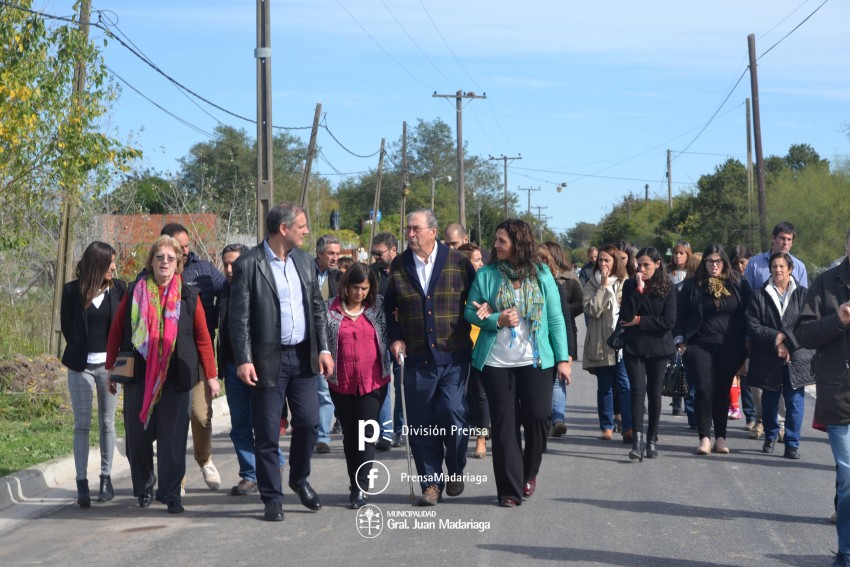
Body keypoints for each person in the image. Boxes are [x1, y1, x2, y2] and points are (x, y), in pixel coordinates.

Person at [228, 202, 334, 522]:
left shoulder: (304, 260)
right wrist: (244, 359)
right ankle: (272, 497)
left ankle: (299, 480)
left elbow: (317, 308)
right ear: (284, 229)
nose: (307, 231)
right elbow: (239, 319)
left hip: (303, 358)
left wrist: (324, 349)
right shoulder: (249, 264)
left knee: (309, 423)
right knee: (268, 433)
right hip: (266, 361)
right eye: (302, 226)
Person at [106, 235, 219, 514]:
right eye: (160, 258)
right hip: (139, 376)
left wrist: (212, 376)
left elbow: (203, 337)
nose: (165, 263)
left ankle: (171, 494)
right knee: (138, 438)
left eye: (170, 258)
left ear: (178, 263)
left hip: (177, 377)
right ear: (151, 262)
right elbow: (117, 331)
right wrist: (111, 368)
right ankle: (145, 486)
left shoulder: (189, 295)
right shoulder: (135, 291)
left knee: (173, 439)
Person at [465, 219, 570, 507]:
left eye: (502, 241)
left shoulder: (541, 274)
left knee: (538, 418)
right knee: (504, 426)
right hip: (496, 362)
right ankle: (509, 490)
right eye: (496, 240)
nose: (496, 245)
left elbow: (555, 318)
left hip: (536, 360)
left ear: (518, 244)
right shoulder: (486, 275)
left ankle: (529, 471)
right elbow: (470, 312)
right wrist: (495, 319)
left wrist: (563, 358)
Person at [384, 209, 476, 506]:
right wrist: (395, 336)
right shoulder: (398, 266)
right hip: (416, 358)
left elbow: (476, 302)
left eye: (415, 229)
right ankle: (431, 484)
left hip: (454, 357)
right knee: (422, 424)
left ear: (432, 232)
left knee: (453, 414)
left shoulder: (459, 263)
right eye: (408, 229)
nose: (410, 234)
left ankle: (457, 467)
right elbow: (389, 310)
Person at [795, 228, 850, 567]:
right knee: (849, 478)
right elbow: (804, 333)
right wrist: (839, 320)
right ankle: (846, 551)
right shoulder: (827, 283)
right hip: (840, 393)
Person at [60, 241, 127, 507]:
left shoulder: (120, 289)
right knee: (82, 425)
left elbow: (125, 329)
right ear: (96, 264)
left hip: (110, 368)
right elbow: (67, 327)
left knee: (108, 423)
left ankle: (106, 478)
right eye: (109, 261)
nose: (114, 266)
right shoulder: (71, 291)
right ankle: (81, 484)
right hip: (80, 367)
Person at [160, 223, 225, 492]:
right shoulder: (155, 275)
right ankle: (177, 479)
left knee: (200, 415)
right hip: (165, 358)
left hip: (199, 354)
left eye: (187, 246)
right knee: (174, 420)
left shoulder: (206, 270)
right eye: (180, 247)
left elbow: (230, 289)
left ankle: (204, 458)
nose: (186, 251)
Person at [218, 243, 285, 496]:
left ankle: (273, 466)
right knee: (240, 426)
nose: (229, 269)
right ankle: (249, 474)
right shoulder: (224, 289)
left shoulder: (261, 286)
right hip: (232, 366)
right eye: (225, 263)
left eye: (233, 263)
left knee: (264, 422)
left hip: (260, 366)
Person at [324, 263, 390, 509]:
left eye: (365, 288)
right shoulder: (329, 311)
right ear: (346, 286)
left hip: (373, 382)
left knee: (367, 436)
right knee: (351, 436)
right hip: (341, 383)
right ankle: (354, 483)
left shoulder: (378, 307)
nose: (360, 293)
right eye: (356, 288)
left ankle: (362, 487)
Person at [674, 244, 750, 455]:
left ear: (724, 262)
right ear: (704, 263)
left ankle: (721, 438)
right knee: (705, 389)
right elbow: (679, 316)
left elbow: (748, 312)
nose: (714, 265)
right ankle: (704, 438)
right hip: (699, 345)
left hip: (730, 346)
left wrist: (747, 340)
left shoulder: (738, 284)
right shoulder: (691, 286)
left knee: (722, 391)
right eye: (709, 261)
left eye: (718, 261)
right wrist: (680, 342)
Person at [745, 252, 813, 459]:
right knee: (770, 400)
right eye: (774, 266)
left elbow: (808, 323)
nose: (778, 270)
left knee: (794, 401)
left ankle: (792, 443)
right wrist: (776, 339)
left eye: (782, 266)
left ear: (790, 269)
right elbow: (753, 324)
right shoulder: (759, 294)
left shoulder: (803, 294)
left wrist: (788, 342)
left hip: (797, 356)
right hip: (768, 355)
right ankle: (771, 436)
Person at [618, 247, 676, 461]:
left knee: (654, 393)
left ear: (658, 264)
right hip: (634, 347)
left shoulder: (668, 287)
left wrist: (640, 321)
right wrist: (639, 291)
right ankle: (637, 442)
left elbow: (669, 321)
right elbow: (625, 315)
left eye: (646, 265)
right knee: (637, 392)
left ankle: (651, 439)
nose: (641, 269)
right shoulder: (631, 284)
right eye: (638, 265)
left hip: (660, 348)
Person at [583, 244, 632, 441]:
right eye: (600, 260)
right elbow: (592, 310)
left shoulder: (625, 282)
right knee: (605, 387)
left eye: (607, 260)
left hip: (621, 343)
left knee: (625, 385)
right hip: (600, 343)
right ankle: (607, 426)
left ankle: (628, 426)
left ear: (615, 263)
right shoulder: (591, 284)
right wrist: (603, 287)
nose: (603, 263)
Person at [538, 242, 582, 438]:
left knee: (557, 382)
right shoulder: (526, 284)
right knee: (545, 384)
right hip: (537, 342)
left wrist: (568, 354)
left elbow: (566, 317)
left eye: (544, 258)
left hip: (560, 337)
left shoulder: (565, 281)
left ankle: (557, 419)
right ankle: (546, 420)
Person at [369, 232, 401, 449]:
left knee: (401, 385)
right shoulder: (369, 273)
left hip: (402, 337)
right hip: (377, 337)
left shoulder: (407, 271)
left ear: (393, 250)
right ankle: (385, 433)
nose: (375, 257)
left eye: (379, 253)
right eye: (373, 253)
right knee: (382, 385)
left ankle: (399, 430)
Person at [459, 242, 489, 458]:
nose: (481, 263)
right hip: (456, 345)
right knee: (459, 395)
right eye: (477, 259)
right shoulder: (454, 286)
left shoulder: (486, 284)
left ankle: (481, 438)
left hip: (482, 344)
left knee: (480, 395)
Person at [314, 234, 343, 455]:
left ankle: (322, 436)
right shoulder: (304, 272)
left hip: (329, 340)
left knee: (325, 388)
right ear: (319, 253)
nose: (335, 258)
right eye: (330, 253)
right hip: (304, 338)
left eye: (337, 254)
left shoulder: (339, 279)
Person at [729, 245, 757, 429]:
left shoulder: (747, 282)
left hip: (745, 333)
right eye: (737, 263)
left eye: (743, 262)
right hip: (728, 334)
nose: (740, 266)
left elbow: (750, 310)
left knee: (746, 377)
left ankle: (751, 415)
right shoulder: (728, 281)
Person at [666, 241, 694, 416]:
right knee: (675, 362)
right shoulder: (669, 274)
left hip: (687, 322)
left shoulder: (692, 274)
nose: (678, 256)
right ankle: (676, 400)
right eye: (676, 253)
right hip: (671, 321)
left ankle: (689, 402)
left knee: (688, 363)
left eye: (682, 253)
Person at [744, 221, 809, 290]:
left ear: (792, 243)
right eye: (782, 238)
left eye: (789, 239)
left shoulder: (799, 267)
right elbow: (747, 294)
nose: (785, 243)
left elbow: (803, 297)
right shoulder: (754, 264)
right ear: (773, 238)